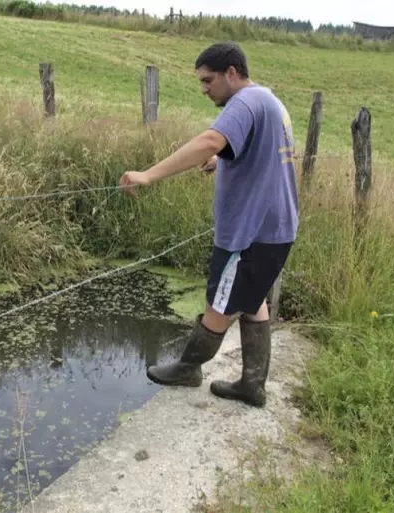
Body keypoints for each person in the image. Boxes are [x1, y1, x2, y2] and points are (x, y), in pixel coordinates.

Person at [119, 42, 299, 407]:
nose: (204, 89)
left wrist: (149, 175)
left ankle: (188, 368)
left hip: (249, 233)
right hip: (274, 228)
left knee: (220, 300)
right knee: (252, 300)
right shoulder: (269, 101)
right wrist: (224, 160)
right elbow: (255, 150)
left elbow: (210, 139)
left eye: (208, 80)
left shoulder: (244, 103)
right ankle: (252, 385)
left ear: (231, 73)